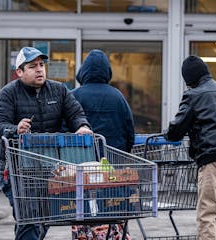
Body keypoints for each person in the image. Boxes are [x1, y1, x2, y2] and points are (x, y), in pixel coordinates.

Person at [0, 46, 93, 240]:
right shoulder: (8, 93)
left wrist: (82, 126)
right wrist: (15, 129)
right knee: (29, 217)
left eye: (41, 65)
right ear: (19, 72)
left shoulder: (58, 90)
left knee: (45, 217)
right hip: (16, 170)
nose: (39, 69)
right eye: (32, 66)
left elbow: (75, 114)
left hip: (48, 168)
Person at [164, 55, 216, 240]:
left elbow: (176, 130)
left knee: (207, 215)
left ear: (189, 78)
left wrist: (167, 134)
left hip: (214, 159)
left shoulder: (194, 94)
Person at [70, 49, 134, 239]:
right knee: (112, 209)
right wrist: (123, 153)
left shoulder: (74, 96)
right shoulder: (118, 97)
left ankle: (85, 235)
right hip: (111, 166)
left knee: (84, 212)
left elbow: (65, 130)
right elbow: (129, 131)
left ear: (83, 71)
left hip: (83, 167)